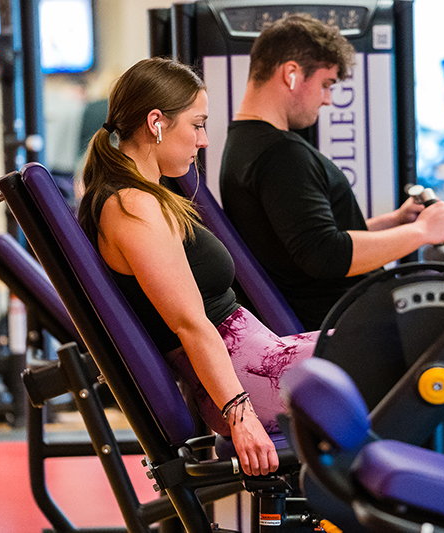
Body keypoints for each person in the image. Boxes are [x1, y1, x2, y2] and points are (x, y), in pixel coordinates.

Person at [77, 58, 319, 477]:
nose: (204, 140)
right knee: (405, 340)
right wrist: (239, 414)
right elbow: (190, 323)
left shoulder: (142, 196)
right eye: (197, 124)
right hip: (249, 381)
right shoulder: (132, 206)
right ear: (156, 122)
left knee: (393, 334)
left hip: (260, 364)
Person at [220, 14, 444, 331]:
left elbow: (303, 240)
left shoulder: (244, 143)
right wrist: (422, 232)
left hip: (345, 317)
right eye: (325, 84)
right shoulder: (281, 154)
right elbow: (327, 256)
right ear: (291, 74)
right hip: (347, 329)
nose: (327, 99)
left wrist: (392, 224)